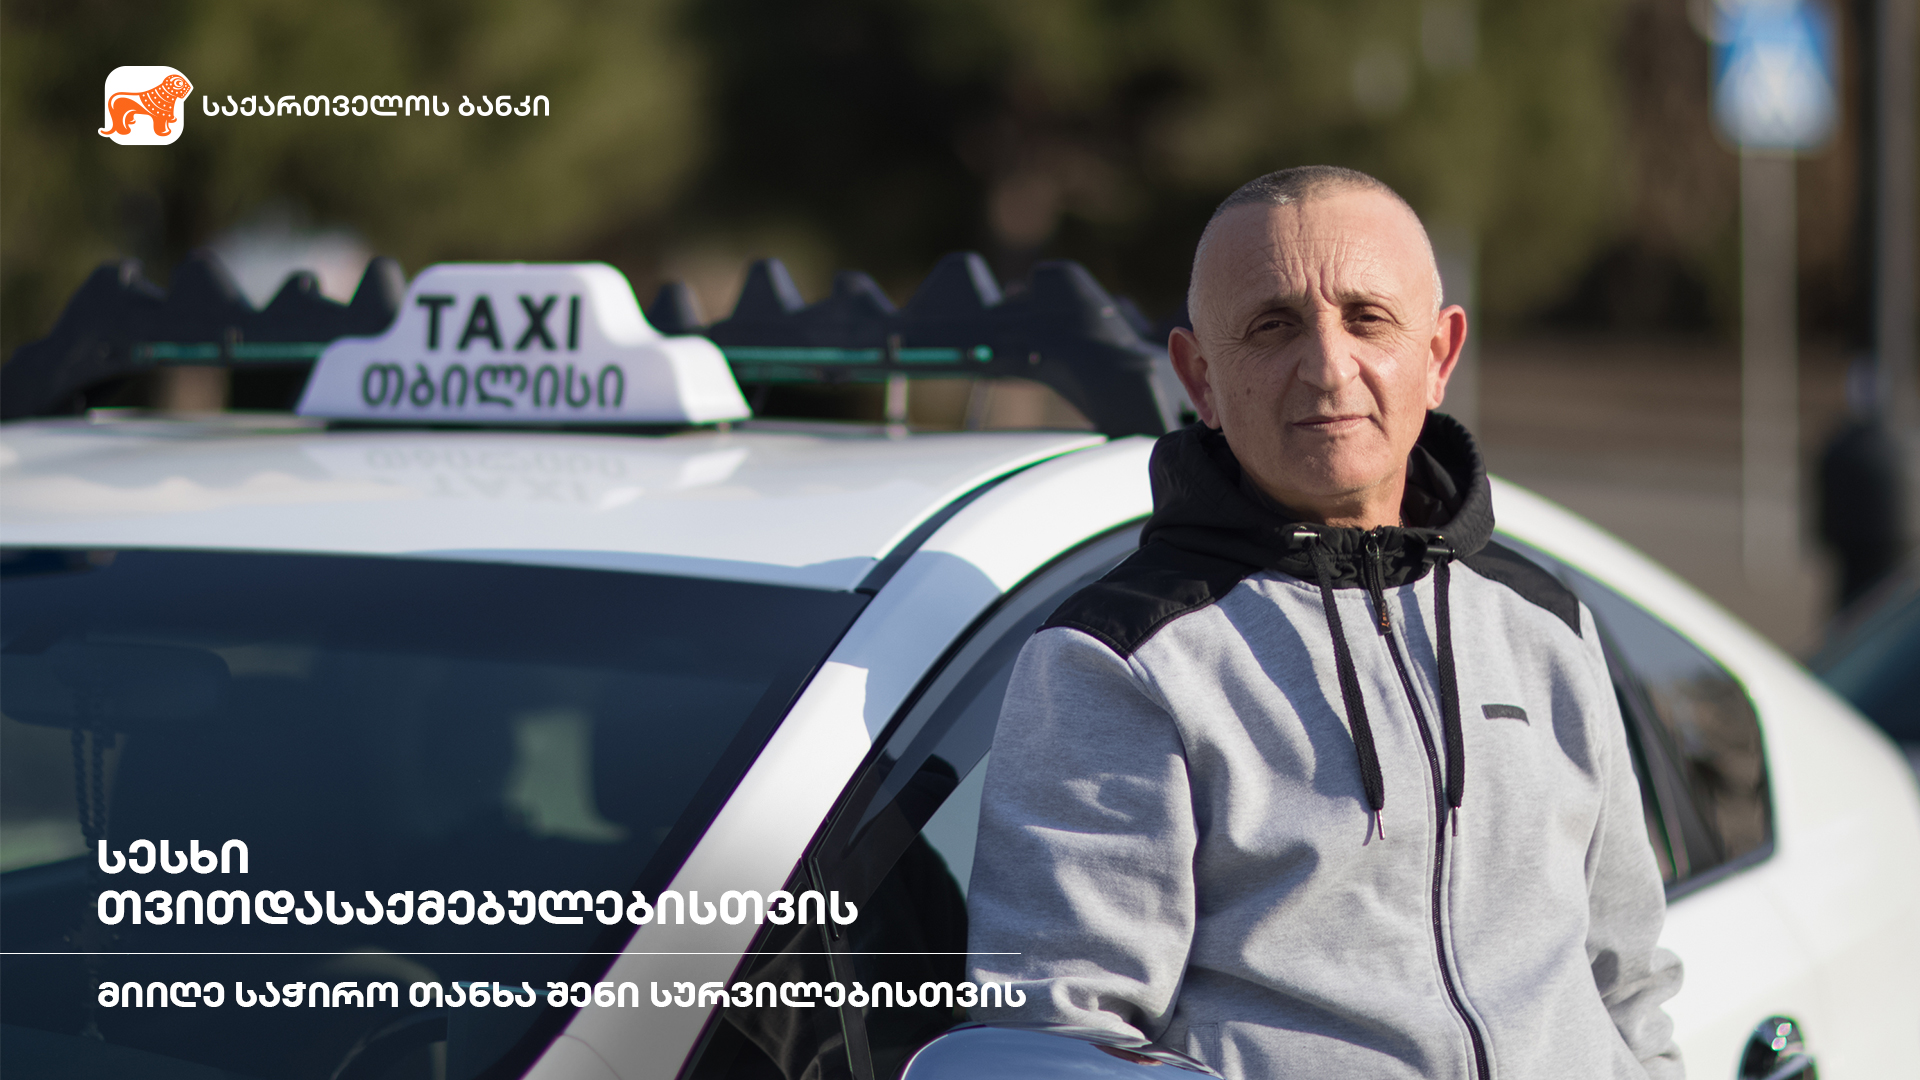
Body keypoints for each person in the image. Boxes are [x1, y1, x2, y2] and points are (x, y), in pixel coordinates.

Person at [965, 165, 1684, 1078]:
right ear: (1200, 378)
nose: (1329, 367)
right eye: (1273, 326)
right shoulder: (1118, 661)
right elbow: (1059, 1040)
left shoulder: (1544, 622)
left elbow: (1628, 985)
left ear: (1439, 356)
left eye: (1368, 318)